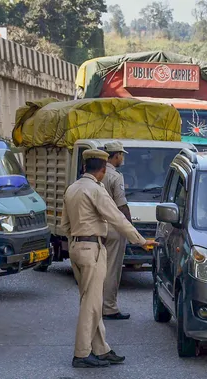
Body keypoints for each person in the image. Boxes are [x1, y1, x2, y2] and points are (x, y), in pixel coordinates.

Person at [60, 149, 157, 368]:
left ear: (85, 167)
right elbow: (117, 218)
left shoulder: (72, 189)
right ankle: (82, 353)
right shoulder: (96, 189)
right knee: (91, 304)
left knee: (91, 300)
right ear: (102, 170)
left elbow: (64, 225)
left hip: (76, 246)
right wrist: (141, 241)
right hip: (92, 248)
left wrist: (76, 241)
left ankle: (101, 349)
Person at [102, 141, 132, 321]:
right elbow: (122, 205)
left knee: (99, 270)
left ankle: (96, 305)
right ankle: (109, 308)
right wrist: (129, 227)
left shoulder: (96, 173)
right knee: (112, 269)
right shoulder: (115, 176)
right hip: (113, 227)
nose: (123, 158)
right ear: (116, 155)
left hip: (97, 226)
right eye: (122, 154)